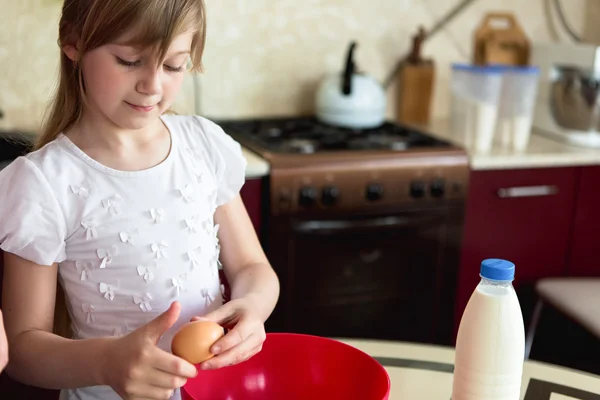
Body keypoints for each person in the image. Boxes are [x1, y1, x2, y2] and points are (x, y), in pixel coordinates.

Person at [0, 0, 280, 399]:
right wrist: (105, 362)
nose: (152, 85)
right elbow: (24, 350)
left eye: (173, 65)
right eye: (130, 61)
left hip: (217, 391)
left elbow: (253, 267)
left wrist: (254, 306)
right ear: (73, 44)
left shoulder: (202, 145)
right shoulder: (43, 182)